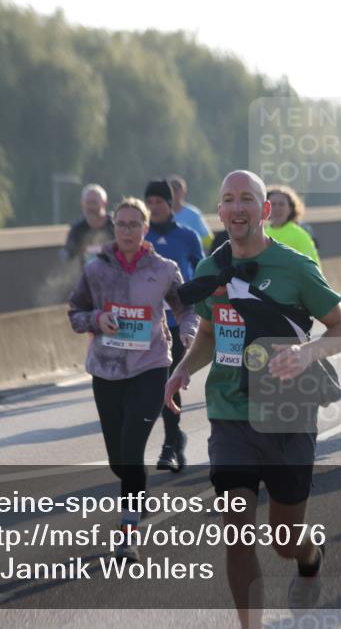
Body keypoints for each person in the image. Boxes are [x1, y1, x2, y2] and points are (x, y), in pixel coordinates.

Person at [163, 170, 341, 628]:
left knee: (285, 539)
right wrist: (184, 367)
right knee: (237, 533)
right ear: (221, 211)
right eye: (228, 199)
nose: (237, 207)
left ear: (265, 210)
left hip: (286, 411)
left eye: (247, 198)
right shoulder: (210, 269)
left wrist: (307, 353)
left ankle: (310, 557)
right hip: (229, 413)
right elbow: (209, 331)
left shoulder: (295, 268)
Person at [67, 198, 197, 560]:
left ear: (145, 229)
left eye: (133, 224)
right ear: (114, 227)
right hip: (106, 370)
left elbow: (187, 310)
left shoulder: (165, 268)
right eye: (120, 224)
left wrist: (188, 332)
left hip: (150, 368)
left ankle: (128, 533)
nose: (126, 230)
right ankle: (136, 492)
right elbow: (75, 311)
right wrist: (96, 320)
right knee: (118, 461)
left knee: (131, 450)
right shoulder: (96, 270)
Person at [143, 179, 205, 473]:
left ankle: (170, 443)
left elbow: (203, 271)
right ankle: (174, 437)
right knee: (150, 384)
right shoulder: (141, 237)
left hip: (178, 320)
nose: (154, 207)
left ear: (170, 205)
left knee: (169, 379)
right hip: (146, 323)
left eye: (159, 202)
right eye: (150, 202)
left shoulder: (188, 236)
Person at [265, 185, 321, 267]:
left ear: (291, 209)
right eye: (273, 204)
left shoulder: (300, 235)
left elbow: (313, 267)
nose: (277, 208)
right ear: (266, 208)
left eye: (281, 204)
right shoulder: (262, 234)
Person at [63, 184, 116, 266]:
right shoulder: (77, 229)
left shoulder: (115, 225)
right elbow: (68, 254)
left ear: (104, 203)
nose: (91, 207)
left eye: (94, 202)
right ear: (82, 203)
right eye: (88, 202)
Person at [168, 174, 215, 251]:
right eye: (170, 190)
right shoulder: (159, 215)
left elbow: (209, 241)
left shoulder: (194, 215)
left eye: (176, 190)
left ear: (183, 192)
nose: (173, 194)